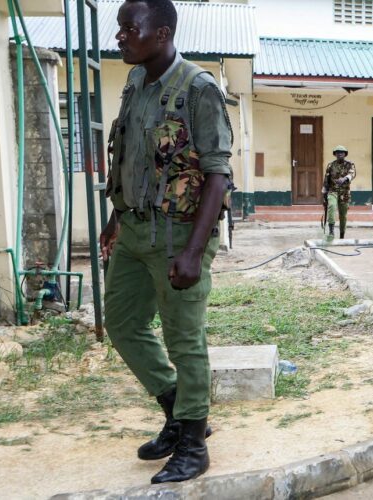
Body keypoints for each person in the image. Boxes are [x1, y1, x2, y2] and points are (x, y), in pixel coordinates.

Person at [101, 0, 233, 484]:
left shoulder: (198, 89)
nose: (120, 37)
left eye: (128, 29)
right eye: (119, 29)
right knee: (122, 322)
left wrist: (194, 251)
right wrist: (116, 217)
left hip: (179, 234)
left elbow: (218, 177)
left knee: (184, 339)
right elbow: (133, 157)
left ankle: (194, 445)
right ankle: (178, 409)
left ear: (161, 33)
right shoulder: (135, 83)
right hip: (134, 230)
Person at [321, 145, 356, 238]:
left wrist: (345, 179)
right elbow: (326, 180)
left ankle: (342, 235)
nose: (340, 153)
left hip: (345, 193)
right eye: (337, 152)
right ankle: (331, 231)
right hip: (333, 191)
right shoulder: (331, 165)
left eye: (342, 152)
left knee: (343, 215)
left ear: (345, 154)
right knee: (331, 207)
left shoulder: (350, 164)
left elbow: (352, 174)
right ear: (335, 154)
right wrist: (324, 194)